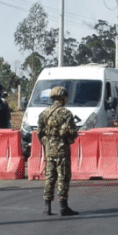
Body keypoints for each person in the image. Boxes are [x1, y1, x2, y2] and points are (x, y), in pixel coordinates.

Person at [37, 86, 79, 216]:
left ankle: (47, 206)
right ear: (61, 97)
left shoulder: (44, 113)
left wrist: (48, 142)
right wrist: (67, 136)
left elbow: (39, 133)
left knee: (49, 178)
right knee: (63, 177)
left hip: (49, 151)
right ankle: (63, 207)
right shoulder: (66, 113)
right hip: (62, 151)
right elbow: (73, 133)